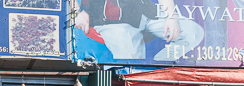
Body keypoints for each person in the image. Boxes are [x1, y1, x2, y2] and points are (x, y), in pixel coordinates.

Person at [73, 0, 203, 62]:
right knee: (132, 63)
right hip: (113, 22)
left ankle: (159, 65)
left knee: (193, 32)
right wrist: (77, 12)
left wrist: (171, 16)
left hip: (146, 14)